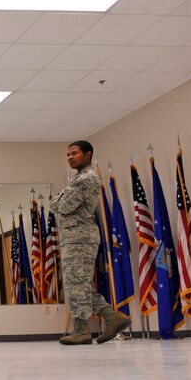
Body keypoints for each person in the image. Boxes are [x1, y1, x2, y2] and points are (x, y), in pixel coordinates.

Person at [52, 140, 130, 345]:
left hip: (80, 238)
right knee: (78, 283)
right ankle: (112, 317)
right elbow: (54, 204)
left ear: (88, 155)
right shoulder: (78, 179)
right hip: (74, 237)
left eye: (74, 153)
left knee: (77, 283)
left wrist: (59, 201)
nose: (70, 157)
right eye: (68, 154)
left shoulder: (86, 179)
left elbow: (63, 206)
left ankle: (82, 330)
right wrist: (58, 202)